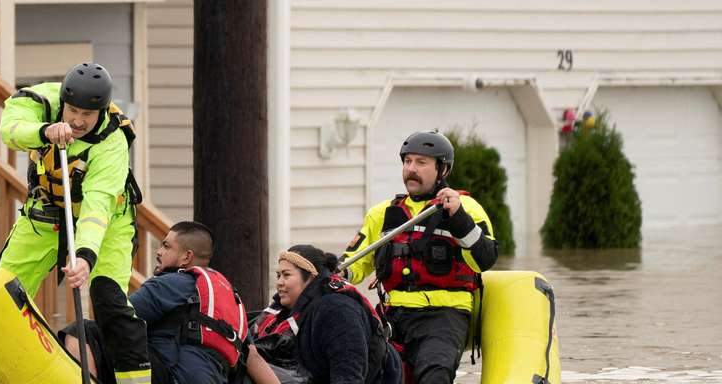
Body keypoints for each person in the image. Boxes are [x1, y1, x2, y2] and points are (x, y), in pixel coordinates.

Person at [0, 62, 150, 384]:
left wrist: (84, 256)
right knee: (1, 290)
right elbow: (9, 130)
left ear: (102, 111)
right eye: (72, 111)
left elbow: (98, 206)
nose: (78, 121)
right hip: (45, 213)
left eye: (88, 115)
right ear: (63, 103)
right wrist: (43, 131)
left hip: (108, 222)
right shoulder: (40, 101)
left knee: (109, 301)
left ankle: (134, 380)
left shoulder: (112, 142)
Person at [340, 131, 499, 384]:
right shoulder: (381, 214)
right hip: (393, 315)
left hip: (444, 315)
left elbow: (484, 259)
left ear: (442, 170)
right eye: (407, 162)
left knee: (434, 374)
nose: (411, 169)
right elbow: (353, 264)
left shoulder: (466, 208)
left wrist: (458, 219)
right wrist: (336, 272)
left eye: (421, 163)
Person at [64, 221, 265, 384]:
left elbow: (119, 321)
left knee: (84, 330)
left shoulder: (169, 283)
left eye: (166, 246)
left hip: (170, 376)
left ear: (187, 257)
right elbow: (253, 358)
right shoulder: (226, 298)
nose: (158, 252)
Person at [248, 245, 401, 384]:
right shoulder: (282, 311)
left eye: (286, 275)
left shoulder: (338, 312)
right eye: (278, 275)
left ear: (311, 277)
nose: (279, 283)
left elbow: (349, 375)